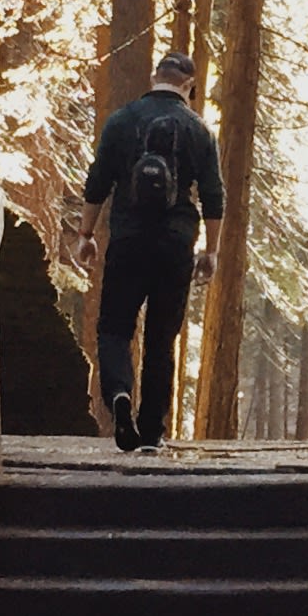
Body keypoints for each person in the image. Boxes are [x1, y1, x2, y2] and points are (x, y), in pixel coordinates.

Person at [77, 52, 224, 452]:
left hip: (127, 239)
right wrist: (211, 251)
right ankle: (152, 432)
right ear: (189, 85)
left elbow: (98, 182)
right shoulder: (199, 130)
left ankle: (120, 396)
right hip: (175, 244)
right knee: (162, 337)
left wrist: (86, 233)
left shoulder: (122, 120)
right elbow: (213, 196)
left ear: (155, 76)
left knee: (114, 330)